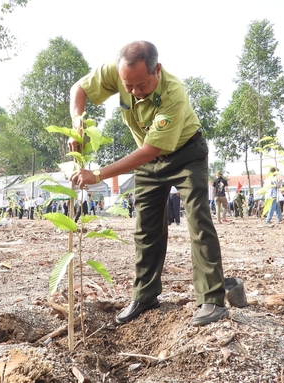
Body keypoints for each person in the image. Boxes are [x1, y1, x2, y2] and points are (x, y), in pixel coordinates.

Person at [67, 41, 227, 326]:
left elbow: (150, 149)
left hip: (185, 154)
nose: (134, 92)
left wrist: (99, 174)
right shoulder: (119, 74)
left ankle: (211, 299)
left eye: (141, 85)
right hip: (149, 161)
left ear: (157, 70)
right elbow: (78, 89)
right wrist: (77, 124)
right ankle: (145, 294)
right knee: (146, 227)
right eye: (128, 86)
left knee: (197, 220)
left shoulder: (174, 93)